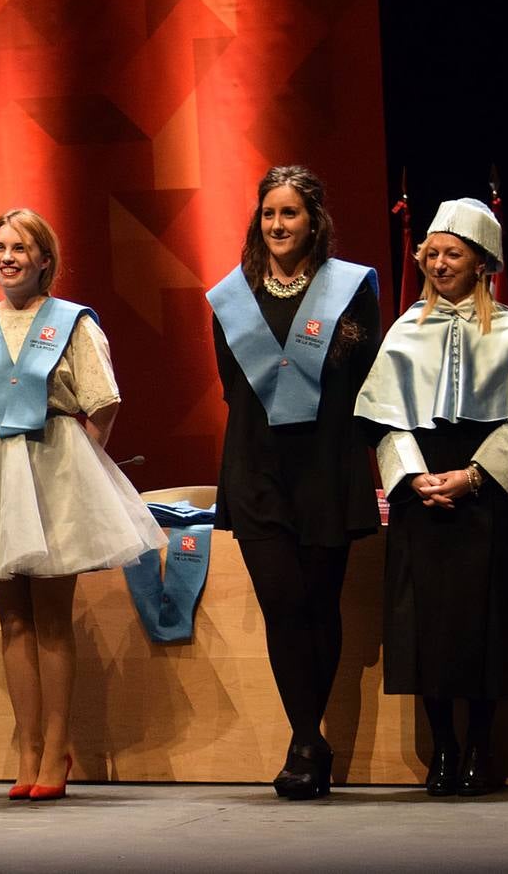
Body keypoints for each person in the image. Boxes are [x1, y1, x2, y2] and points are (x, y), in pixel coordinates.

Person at [0, 208, 164, 800]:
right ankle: (26, 747)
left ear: (44, 259)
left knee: (52, 619)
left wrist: (78, 471)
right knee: (13, 619)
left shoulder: (71, 323)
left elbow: (102, 401)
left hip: (54, 465)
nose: (7, 257)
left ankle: (57, 746)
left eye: (20, 247)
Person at [355, 198, 508, 797]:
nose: (439, 263)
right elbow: (377, 417)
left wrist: (476, 475)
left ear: (482, 263)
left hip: (483, 496)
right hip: (421, 495)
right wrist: (414, 478)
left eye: (453, 254)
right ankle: (442, 752)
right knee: (426, 622)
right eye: (432, 253)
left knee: (481, 622)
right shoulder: (405, 329)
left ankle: (480, 748)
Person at [205, 166, 381, 799]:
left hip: (327, 465)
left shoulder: (351, 288)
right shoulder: (234, 296)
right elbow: (232, 385)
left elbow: (363, 375)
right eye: (269, 214)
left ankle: (309, 745)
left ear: (314, 222)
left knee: (318, 604)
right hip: (257, 467)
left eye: (290, 214)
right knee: (282, 604)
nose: (278, 225)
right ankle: (307, 738)